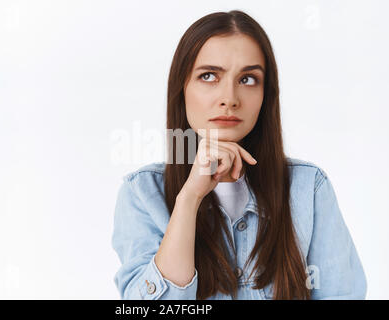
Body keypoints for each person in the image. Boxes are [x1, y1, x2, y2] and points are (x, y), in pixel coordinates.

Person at [111, 10, 367, 300]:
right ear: (182, 89)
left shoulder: (309, 187)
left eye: (247, 79)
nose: (229, 98)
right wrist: (189, 199)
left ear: (265, 94)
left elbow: (342, 295)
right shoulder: (142, 192)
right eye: (209, 76)